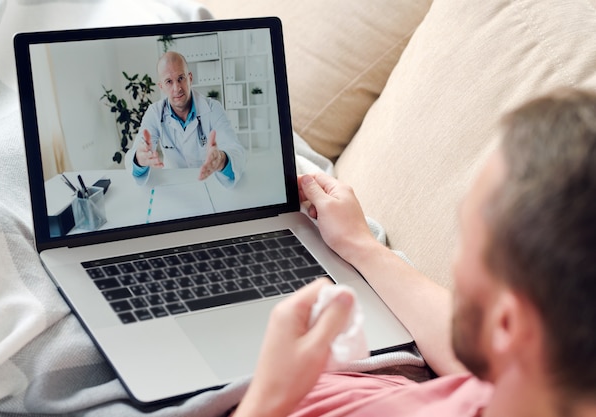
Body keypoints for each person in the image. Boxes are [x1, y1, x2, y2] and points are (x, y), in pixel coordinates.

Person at [231, 88, 596, 417]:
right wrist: (359, 243)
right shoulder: (543, 378)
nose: (455, 263)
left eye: (467, 238)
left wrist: (268, 396)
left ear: (507, 325)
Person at [125, 51, 246, 187]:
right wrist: (139, 159)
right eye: (169, 82)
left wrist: (222, 160)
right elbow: (135, 156)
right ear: (161, 86)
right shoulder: (154, 113)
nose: (177, 88)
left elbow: (235, 150)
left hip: (209, 182)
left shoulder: (213, 108)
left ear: (190, 78)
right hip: (174, 185)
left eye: (181, 78)